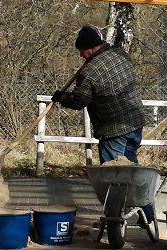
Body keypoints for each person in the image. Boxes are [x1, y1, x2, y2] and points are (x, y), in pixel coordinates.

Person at [51, 25, 153, 222]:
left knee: (113, 177)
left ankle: (114, 221)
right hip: (135, 122)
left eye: (81, 51)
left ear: (89, 48)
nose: (80, 55)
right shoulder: (121, 54)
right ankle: (146, 213)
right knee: (132, 171)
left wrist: (61, 97)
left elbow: (79, 101)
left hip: (113, 129)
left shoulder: (89, 72)